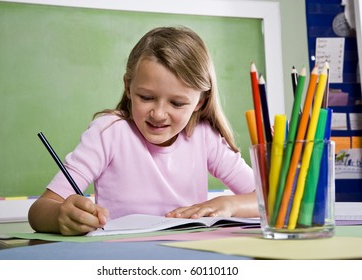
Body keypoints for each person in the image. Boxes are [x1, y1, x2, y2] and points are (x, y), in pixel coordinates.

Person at [28, 26, 259, 236]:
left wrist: (229, 204)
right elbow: (39, 210)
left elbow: (272, 199)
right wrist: (60, 216)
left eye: (177, 103)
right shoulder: (109, 132)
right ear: (128, 87)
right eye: (146, 97)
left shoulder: (204, 136)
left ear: (199, 102)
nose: (158, 114)